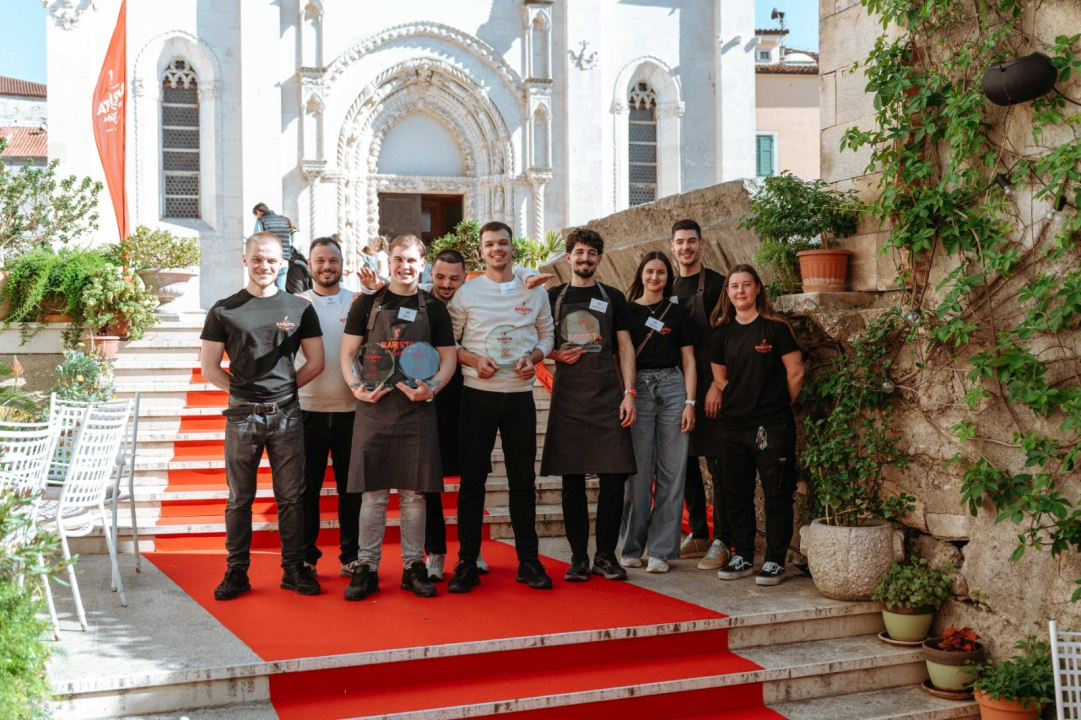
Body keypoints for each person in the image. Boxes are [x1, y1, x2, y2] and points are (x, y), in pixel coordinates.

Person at [355, 254, 553, 581]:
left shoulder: (470, 297)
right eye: (442, 277)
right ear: (431, 274)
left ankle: (471, 553)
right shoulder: (419, 300)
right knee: (429, 479)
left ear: (465, 279)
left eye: (454, 279)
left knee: (471, 477)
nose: (447, 284)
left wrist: (524, 272)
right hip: (428, 399)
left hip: (471, 393)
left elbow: (509, 281)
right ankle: (435, 551)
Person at [200, 232, 325, 600]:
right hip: (242, 418)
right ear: (245, 260)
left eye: (271, 260)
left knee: (291, 497)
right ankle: (237, 570)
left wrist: (283, 392)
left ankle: (293, 568)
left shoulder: (300, 307)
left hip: (287, 416)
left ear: (282, 262)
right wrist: (244, 395)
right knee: (240, 498)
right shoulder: (224, 309)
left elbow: (316, 362)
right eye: (257, 259)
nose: (264, 266)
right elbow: (209, 368)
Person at [338, 234, 457, 600]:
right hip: (374, 408)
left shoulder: (434, 308)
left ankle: (413, 566)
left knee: (414, 495)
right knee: (372, 496)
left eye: (412, 261)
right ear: (388, 262)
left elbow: (448, 358)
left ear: (423, 265)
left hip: (417, 410)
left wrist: (432, 388)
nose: (405, 266)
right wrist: (356, 386)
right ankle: (367, 567)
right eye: (398, 259)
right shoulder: (367, 304)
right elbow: (347, 354)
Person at [446, 221, 556, 593]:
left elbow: (547, 335)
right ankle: (467, 562)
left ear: (513, 248)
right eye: (490, 244)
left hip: (520, 396)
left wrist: (537, 357)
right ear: (481, 251)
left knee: (523, 482)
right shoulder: (466, 294)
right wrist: (474, 361)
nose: (497, 249)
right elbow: (450, 344)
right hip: (477, 396)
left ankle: (528, 561)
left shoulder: (533, 290)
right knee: (472, 483)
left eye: (503, 243)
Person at [541, 227, 637, 582]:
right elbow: (532, 341)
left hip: (608, 397)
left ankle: (606, 556)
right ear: (568, 257)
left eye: (591, 253)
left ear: (599, 258)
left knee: (614, 477)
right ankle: (579, 557)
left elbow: (624, 348)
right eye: (578, 252)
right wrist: (554, 353)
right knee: (572, 480)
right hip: (568, 399)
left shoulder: (613, 297)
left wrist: (630, 393)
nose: (584, 258)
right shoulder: (551, 296)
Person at [709, 265, 804, 586]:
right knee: (736, 493)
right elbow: (720, 378)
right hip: (732, 429)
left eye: (746, 285)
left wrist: (776, 406)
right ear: (728, 293)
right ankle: (744, 554)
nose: (740, 291)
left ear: (758, 288)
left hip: (769, 429)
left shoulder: (775, 328)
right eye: (734, 286)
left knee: (776, 492)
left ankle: (775, 560)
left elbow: (796, 372)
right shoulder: (721, 332)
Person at [620, 252, 697, 573]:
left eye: (661, 272)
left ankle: (661, 552)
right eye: (650, 271)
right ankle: (631, 546)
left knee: (672, 471)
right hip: (638, 388)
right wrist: (627, 393)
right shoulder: (627, 311)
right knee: (637, 474)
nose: (655, 277)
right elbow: (621, 355)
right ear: (641, 274)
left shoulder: (679, 313)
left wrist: (690, 402)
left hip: (673, 387)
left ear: (668, 277)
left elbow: (689, 360)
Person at [295, 237, 362, 579]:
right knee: (307, 490)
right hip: (307, 412)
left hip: (353, 411)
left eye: (332, 259)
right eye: (320, 260)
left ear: (342, 263)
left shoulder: (359, 302)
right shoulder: (294, 304)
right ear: (310, 264)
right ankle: (306, 557)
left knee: (352, 490)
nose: (326, 266)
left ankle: (351, 556)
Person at [669, 218, 731, 570]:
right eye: (680, 242)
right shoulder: (668, 285)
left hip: (711, 383)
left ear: (702, 244)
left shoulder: (718, 285)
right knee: (685, 461)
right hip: (676, 383)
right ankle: (698, 532)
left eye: (692, 241)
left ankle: (722, 539)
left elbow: (725, 339)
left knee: (717, 463)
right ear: (673, 246)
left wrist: (716, 385)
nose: (686, 247)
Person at [252, 203, 295, 291]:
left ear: (258, 212)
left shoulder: (261, 220)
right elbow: (288, 241)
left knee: (267, 290)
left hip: (268, 262)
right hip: (283, 260)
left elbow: (256, 240)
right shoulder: (283, 220)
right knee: (281, 289)